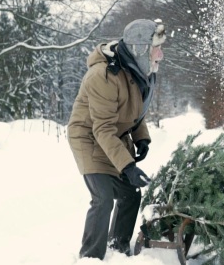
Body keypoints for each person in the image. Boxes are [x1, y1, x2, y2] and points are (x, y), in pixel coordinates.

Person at [67, 19, 167, 259]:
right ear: (140, 48)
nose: (161, 55)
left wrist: (141, 137)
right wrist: (128, 166)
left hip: (113, 138)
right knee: (102, 198)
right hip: (89, 138)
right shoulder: (103, 76)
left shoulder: (135, 71)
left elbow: (132, 110)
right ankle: (90, 257)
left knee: (130, 194)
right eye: (156, 48)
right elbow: (102, 128)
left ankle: (117, 249)